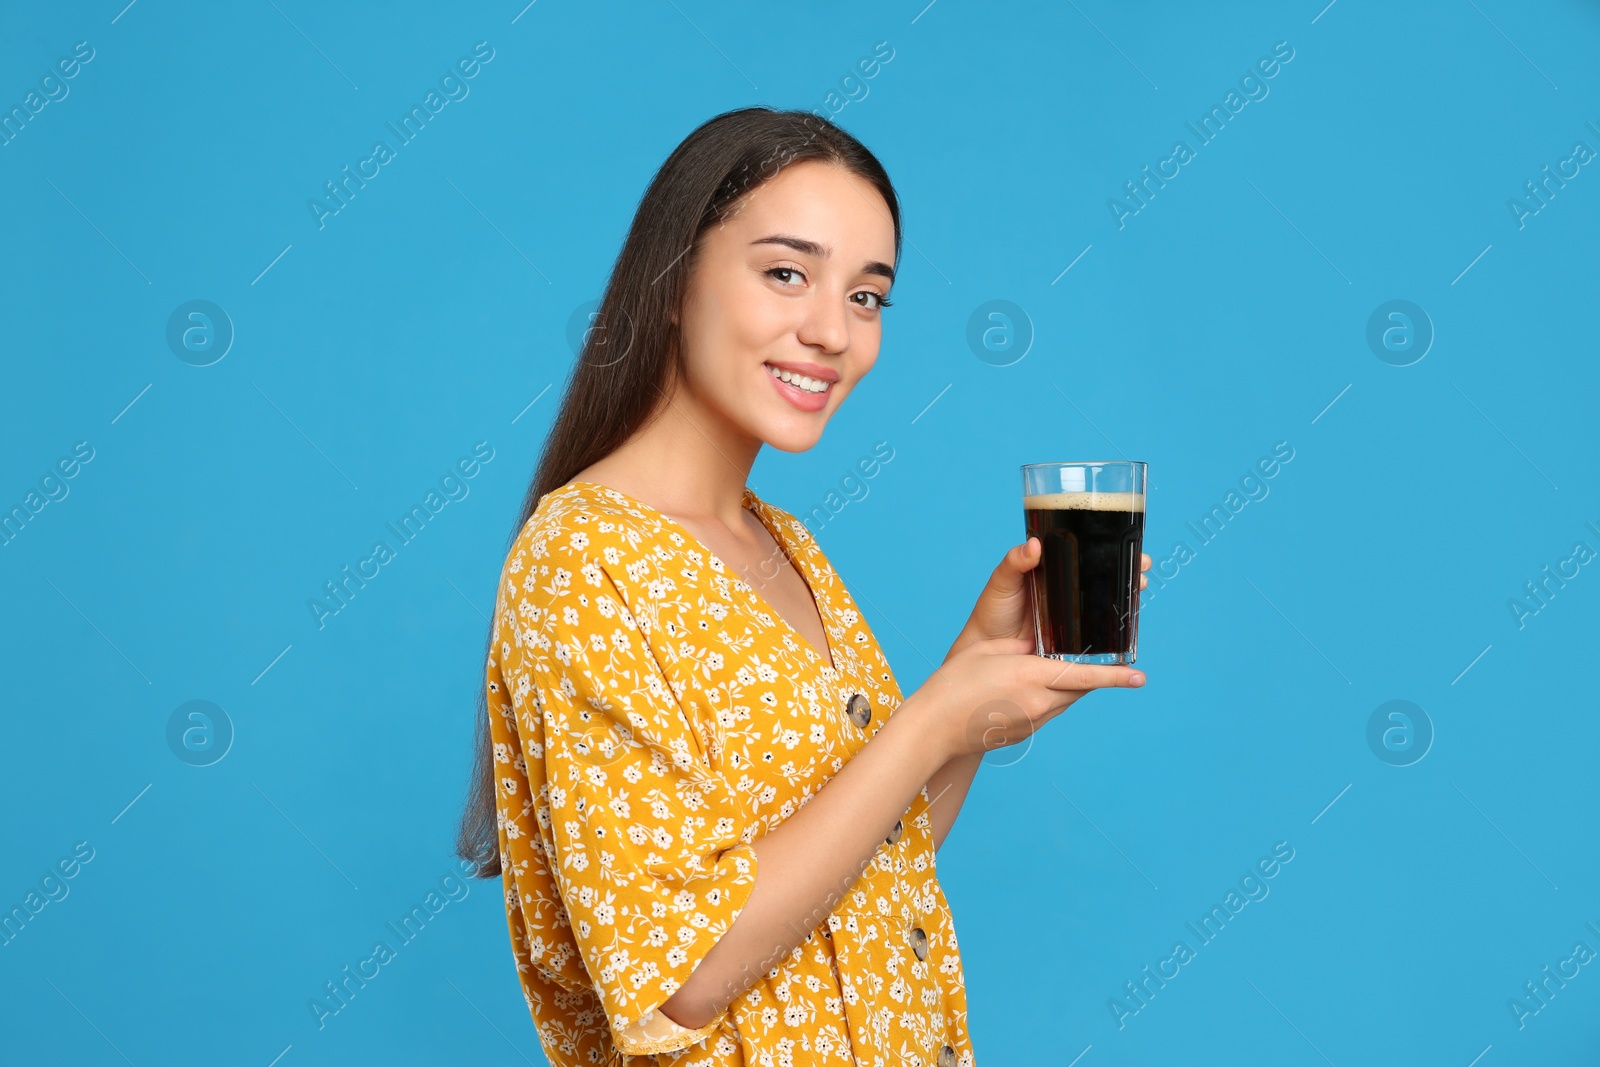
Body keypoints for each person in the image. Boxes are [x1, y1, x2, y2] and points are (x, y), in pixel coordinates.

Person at [455, 106, 1150, 1066]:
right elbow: (685, 972)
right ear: (671, 280)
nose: (832, 331)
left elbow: (864, 878)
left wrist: (977, 689)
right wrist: (936, 717)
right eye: (787, 272)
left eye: (868, 297)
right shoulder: (581, 564)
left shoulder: (786, 545)